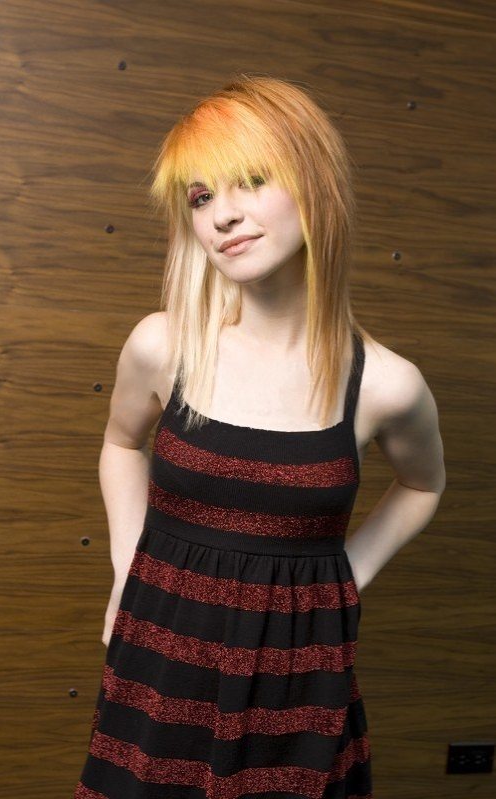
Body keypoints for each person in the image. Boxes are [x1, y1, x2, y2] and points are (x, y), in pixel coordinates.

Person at [74, 73, 446, 799]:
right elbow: (121, 444)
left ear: (315, 183)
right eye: (200, 197)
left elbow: (424, 484)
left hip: (298, 675)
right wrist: (127, 570)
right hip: (160, 651)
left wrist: (348, 574)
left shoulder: (387, 385)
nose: (222, 215)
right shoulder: (163, 346)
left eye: (249, 180)